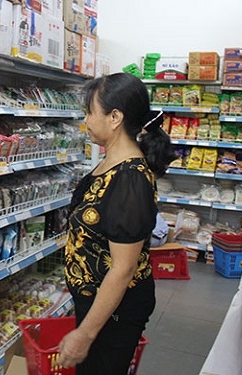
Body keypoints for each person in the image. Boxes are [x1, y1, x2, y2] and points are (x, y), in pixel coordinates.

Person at [56, 73, 176, 374]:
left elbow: (123, 269)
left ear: (114, 117)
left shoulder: (130, 179)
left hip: (116, 309)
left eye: (90, 111)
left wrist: (85, 334)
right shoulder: (112, 161)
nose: (85, 119)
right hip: (99, 303)